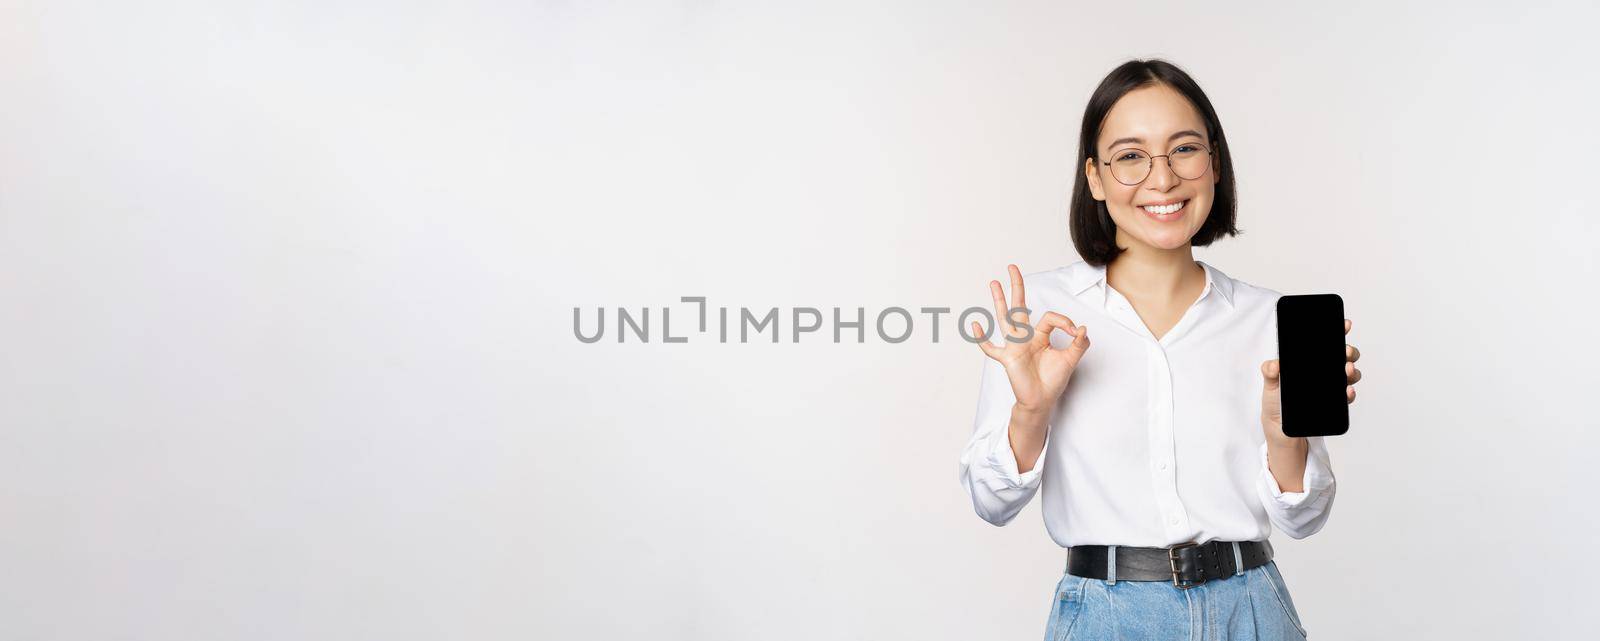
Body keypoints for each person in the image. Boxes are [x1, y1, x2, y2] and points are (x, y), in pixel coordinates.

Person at [957, 59, 1364, 641]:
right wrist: (1031, 411)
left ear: (1214, 164)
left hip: (1251, 610)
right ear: (1094, 178)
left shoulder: (1269, 319)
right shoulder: (1043, 312)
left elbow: (1304, 518)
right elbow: (989, 503)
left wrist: (1284, 435)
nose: (1163, 178)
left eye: (1184, 149)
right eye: (1130, 156)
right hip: (1105, 616)